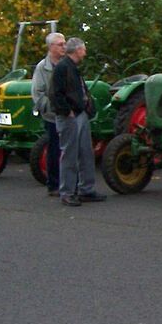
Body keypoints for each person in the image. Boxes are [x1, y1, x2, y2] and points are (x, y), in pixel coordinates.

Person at [52, 37, 105, 207]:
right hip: (70, 116)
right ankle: (67, 193)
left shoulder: (73, 67)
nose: (85, 52)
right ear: (77, 50)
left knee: (86, 152)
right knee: (70, 154)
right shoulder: (62, 68)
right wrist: (67, 111)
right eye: (83, 49)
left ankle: (86, 189)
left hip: (80, 113)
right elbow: (55, 93)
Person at [31, 31, 66, 198]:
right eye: (60, 44)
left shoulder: (66, 64)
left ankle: (69, 183)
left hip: (68, 114)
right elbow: (37, 93)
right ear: (51, 47)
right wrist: (52, 108)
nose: (64, 47)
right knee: (54, 150)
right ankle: (53, 185)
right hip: (52, 116)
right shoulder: (42, 68)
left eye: (64, 43)